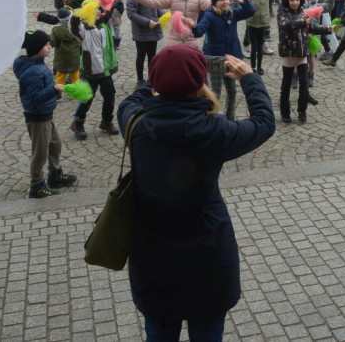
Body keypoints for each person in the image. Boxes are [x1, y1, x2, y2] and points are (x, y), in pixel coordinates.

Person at [117, 47, 274, 341]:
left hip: (154, 257)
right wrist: (250, 79)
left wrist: (158, 80)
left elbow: (128, 102)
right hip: (208, 255)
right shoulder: (215, 130)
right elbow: (264, 123)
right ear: (199, 82)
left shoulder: (135, 125)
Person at [13, 30, 77, 198]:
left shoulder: (39, 64)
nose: (50, 47)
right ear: (36, 48)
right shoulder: (32, 72)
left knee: (55, 144)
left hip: (46, 114)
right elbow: (35, 98)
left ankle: (55, 174)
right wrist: (53, 89)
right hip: (37, 117)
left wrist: (55, 90)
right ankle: (37, 185)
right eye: (46, 44)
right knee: (40, 153)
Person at [190, 0, 255, 120]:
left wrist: (242, 2)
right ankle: (212, 118)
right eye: (221, 0)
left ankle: (229, 117)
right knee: (216, 91)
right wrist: (192, 26)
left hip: (231, 58)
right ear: (214, 2)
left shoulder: (231, 13)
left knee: (232, 91)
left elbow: (251, 11)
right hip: (215, 59)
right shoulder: (209, 15)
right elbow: (199, 31)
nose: (225, 2)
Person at [277, 0, 330, 123]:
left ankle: (302, 111)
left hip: (302, 54)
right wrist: (303, 22)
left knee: (304, 84)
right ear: (287, 1)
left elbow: (313, 27)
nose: (295, 3)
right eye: (292, 0)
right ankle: (285, 112)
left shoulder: (303, 12)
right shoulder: (282, 12)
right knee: (286, 85)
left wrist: (329, 29)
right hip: (289, 54)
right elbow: (286, 25)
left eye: (297, 0)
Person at [69, 0, 118, 139]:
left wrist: (117, 1)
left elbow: (107, 15)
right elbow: (73, 25)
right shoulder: (83, 29)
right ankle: (78, 123)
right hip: (91, 72)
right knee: (86, 99)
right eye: (93, 10)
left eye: (98, 9)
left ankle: (106, 121)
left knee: (110, 96)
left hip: (105, 70)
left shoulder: (101, 26)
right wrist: (79, 13)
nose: (98, 12)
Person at [126, 0, 163, 87]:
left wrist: (164, 16)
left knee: (152, 56)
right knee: (141, 56)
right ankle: (140, 79)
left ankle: (151, 78)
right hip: (141, 32)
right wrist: (147, 22)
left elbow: (158, 8)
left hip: (154, 31)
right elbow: (131, 14)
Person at [241, 0, 272, 75]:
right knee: (253, 47)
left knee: (260, 47)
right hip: (252, 24)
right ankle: (253, 67)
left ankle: (259, 66)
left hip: (262, 24)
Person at [48, 7, 81, 86]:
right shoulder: (76, 28)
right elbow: (81, 42)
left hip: (61, 60)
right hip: (74, 59)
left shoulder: (56, 30)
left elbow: (51, 43)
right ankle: (78, 92)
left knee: (60, 78)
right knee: (75, 77)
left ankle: (58, 92)